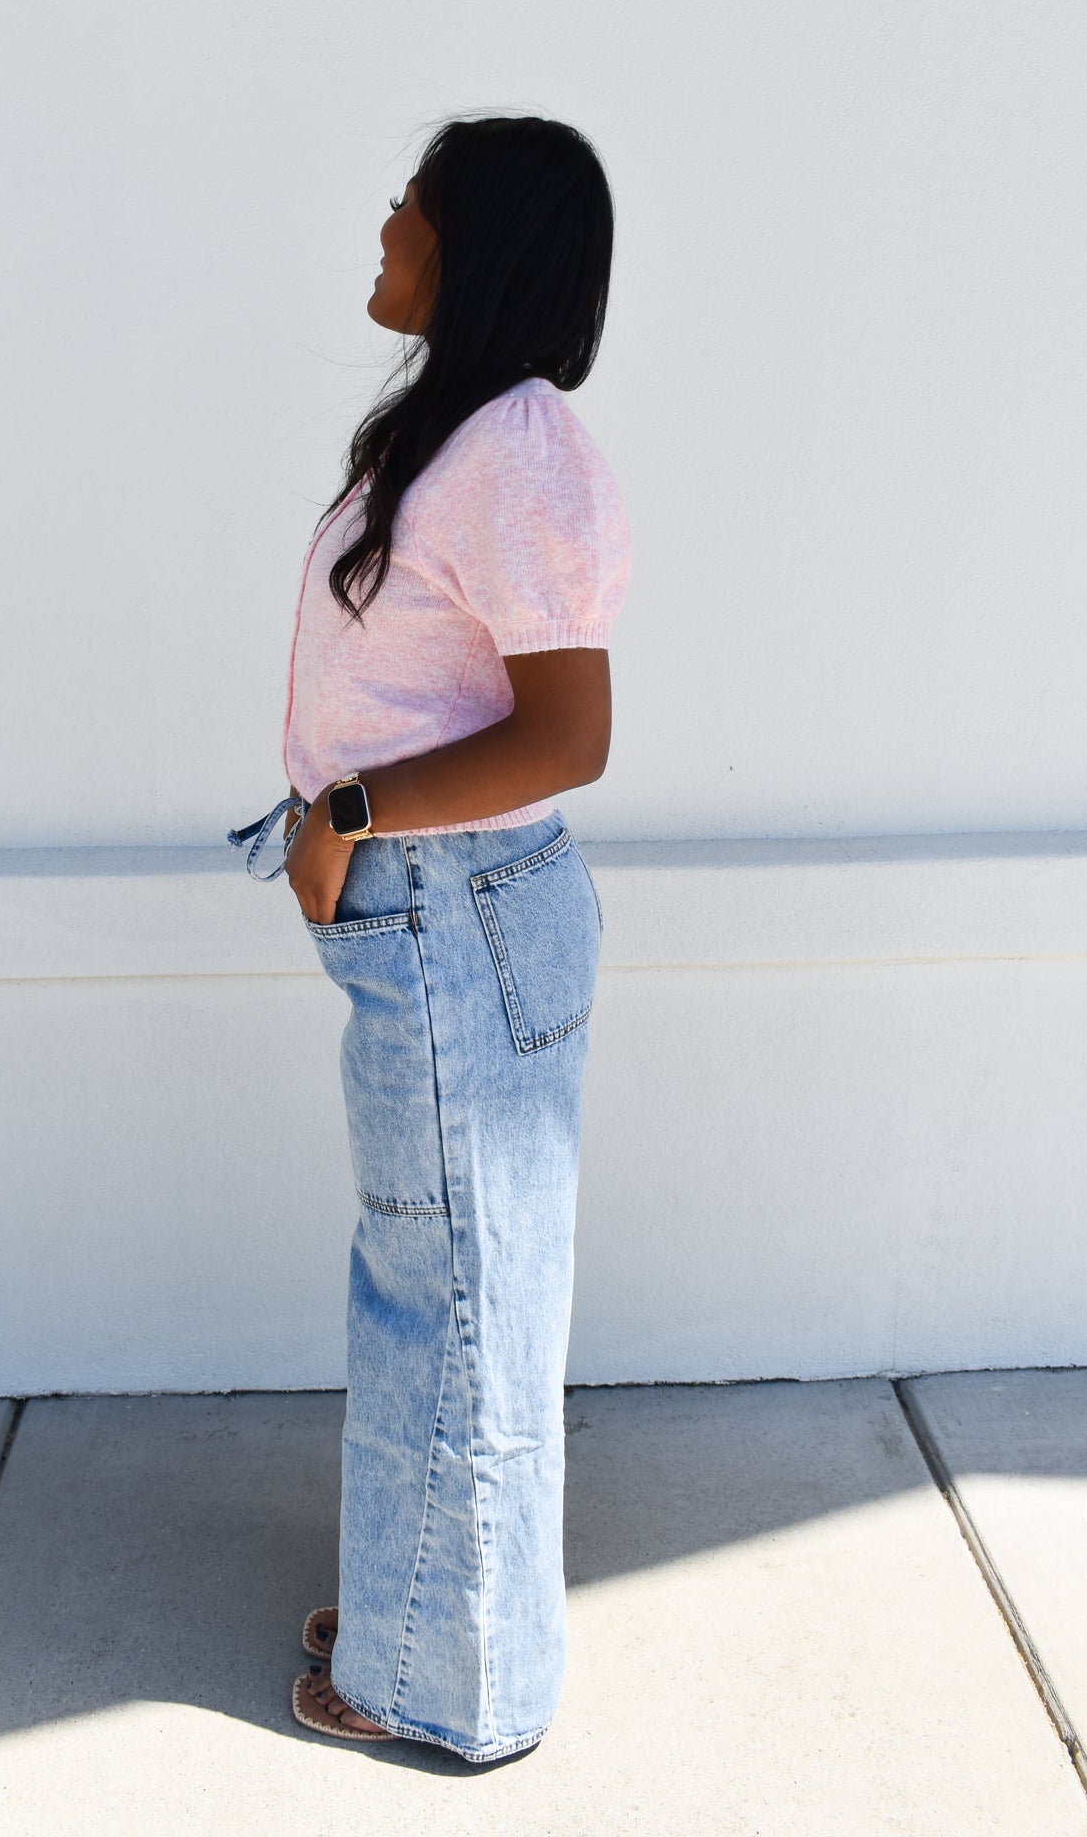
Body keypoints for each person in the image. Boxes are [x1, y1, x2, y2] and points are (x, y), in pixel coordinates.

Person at [229, 114, 631, 1762]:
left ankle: (448, 1682)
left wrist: (347, 811)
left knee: (458, 1287)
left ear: (473, 247)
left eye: (411, 204)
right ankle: (422, 1604)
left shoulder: (517, 448)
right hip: (434, 916)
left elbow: (567, 735)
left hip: (453, 910)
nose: (386, 225)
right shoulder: (459, 438)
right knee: (433, 1269)